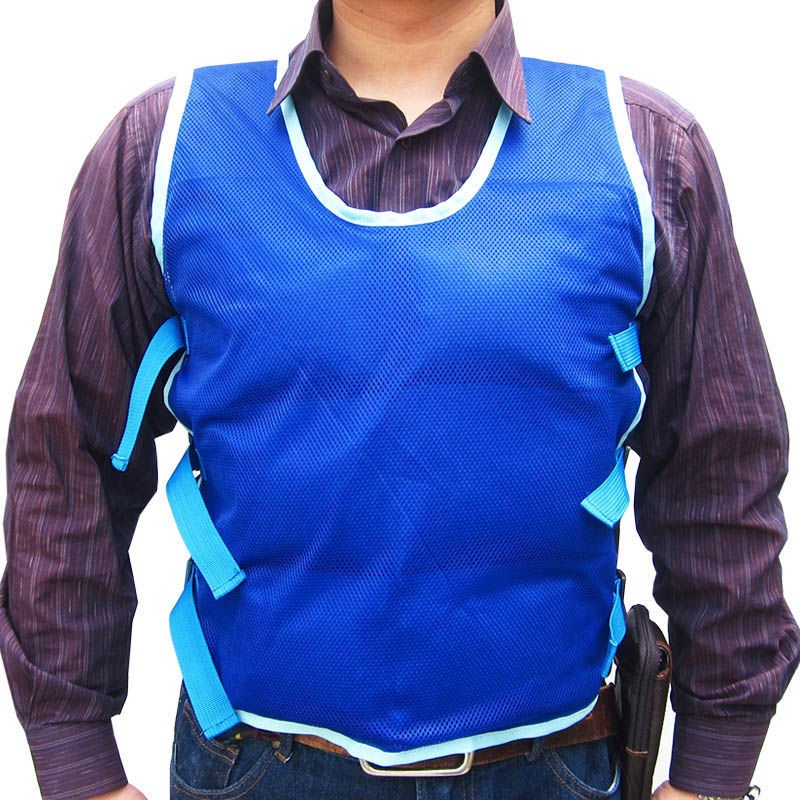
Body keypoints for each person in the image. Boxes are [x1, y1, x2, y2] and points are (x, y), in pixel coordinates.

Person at [1, 1, 797, 799]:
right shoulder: (163, 150)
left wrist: (713, 771)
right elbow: (67, 453)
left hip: (556, 766)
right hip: (256, 767)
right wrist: (78, 770)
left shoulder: (647, 152)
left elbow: (718, 464)